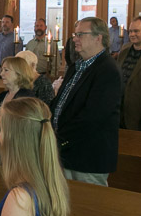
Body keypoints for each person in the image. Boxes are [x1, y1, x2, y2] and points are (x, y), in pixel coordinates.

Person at [50, 17, 121, 186]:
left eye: (81, 34)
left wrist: (60, 138)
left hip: (88, 157)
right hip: (66, 152)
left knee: (88, 208)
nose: (75, 39)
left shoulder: (107, 70)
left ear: (99, 38)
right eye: (76, 34)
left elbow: (94, 116)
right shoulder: (77, 66)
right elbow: (60, 103)